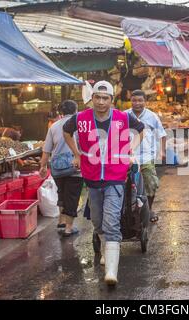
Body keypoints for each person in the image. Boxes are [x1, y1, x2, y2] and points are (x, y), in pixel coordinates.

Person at [63, 81, 144, 285]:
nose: (100, 102)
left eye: (105, 98)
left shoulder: (123, 117)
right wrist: (77, 154)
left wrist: (130, 148)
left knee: (111, 221)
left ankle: (111, 273)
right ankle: (104, 245)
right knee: (97, 221)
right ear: (92, 99)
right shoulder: (80, 119)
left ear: (111, 100)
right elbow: (66, 131)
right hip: (91, 178)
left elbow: (140, 129)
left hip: (115, 176)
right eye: (97, 98)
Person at [40, 100, 83, 237]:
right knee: (72, 196)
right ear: (76, 110)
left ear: (60, 112)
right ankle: (68, 228)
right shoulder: (80, 125)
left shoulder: (53, 126)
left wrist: (42, 166)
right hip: (75, 166)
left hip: (57, 167)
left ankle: (61, 221)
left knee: (62, 193)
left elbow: (47, 149)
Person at [125, 90, 167, 223]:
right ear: (130, 100)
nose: (137, 103)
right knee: (127, 186)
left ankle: (148, 210)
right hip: (127, 157)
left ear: (145, 102)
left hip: (147, 156)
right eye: (134, 100)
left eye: (140, 100)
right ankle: (128, 212)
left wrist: (162, 151)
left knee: (151, 184)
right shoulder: (124, 115)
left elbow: (162, 134)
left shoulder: (152, 116)